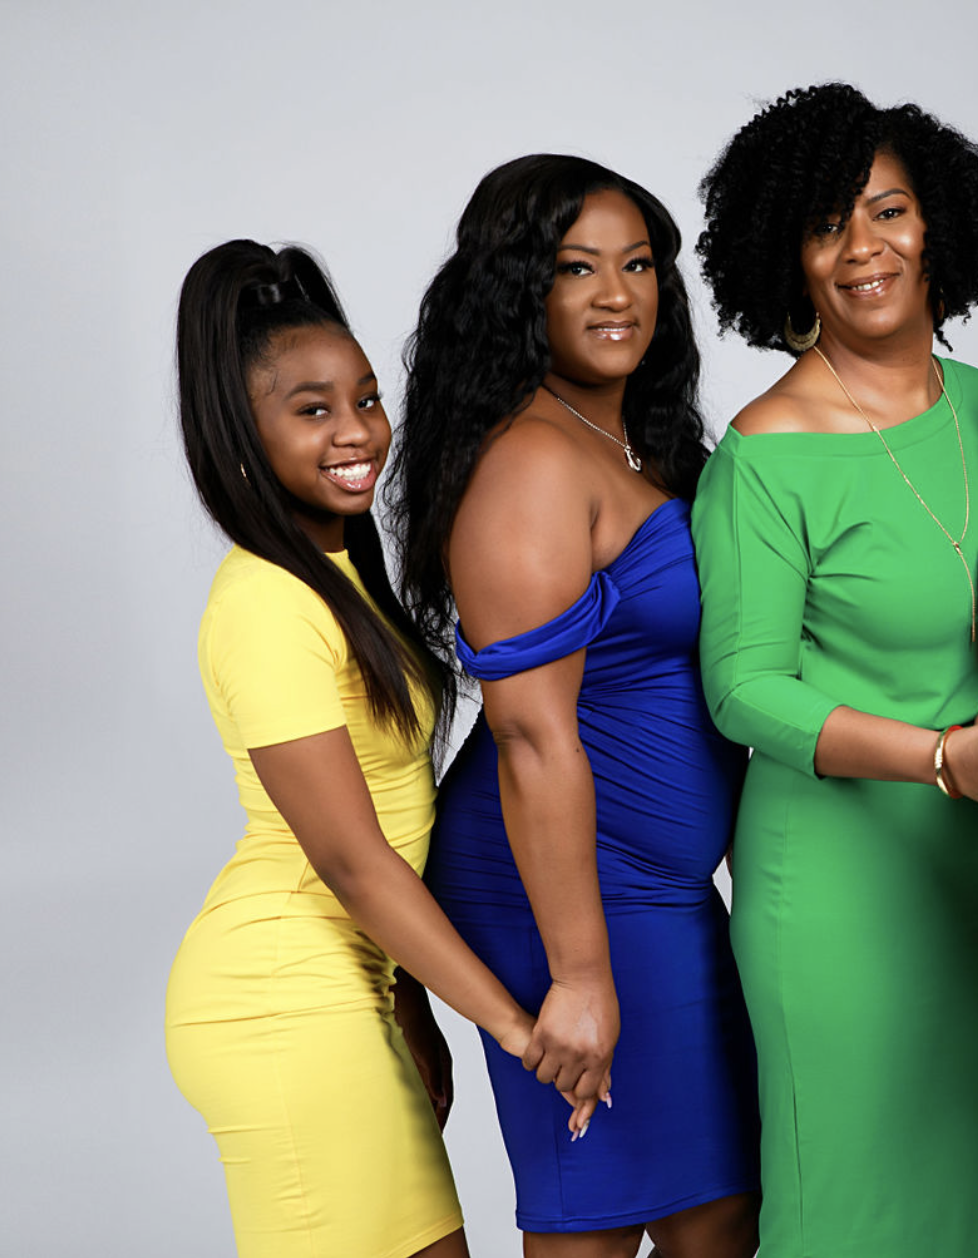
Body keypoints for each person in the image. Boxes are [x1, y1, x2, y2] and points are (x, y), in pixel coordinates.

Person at [691, 82, 978, 1258]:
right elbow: (743, 687)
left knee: (975, 1207)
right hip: (835, 890)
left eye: (888, 211)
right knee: (850, 1214)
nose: (863, 249)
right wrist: (939, 760)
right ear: (787, 258)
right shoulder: (766, 455)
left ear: (938, 227)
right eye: (826, 224)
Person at [164, 240, 578, 1258]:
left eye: (365, 399)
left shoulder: (338, 570)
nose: (357, 433)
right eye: (312, 410)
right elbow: (354, 860)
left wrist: (410, 1006)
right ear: (243, 431)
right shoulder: (264, 603)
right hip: (280, 997)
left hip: (347, 988)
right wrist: (518, 1031)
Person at [390, 156, 758, 1258]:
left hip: (659, 891)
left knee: (720, 1211)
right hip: (562, 894)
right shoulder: (531, 464)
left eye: (638, 263)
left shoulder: (637, 441)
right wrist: (579, 976)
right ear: (519, 291)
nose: (617, 293)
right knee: (599, 1218)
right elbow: (529, 730)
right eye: (576, 268)